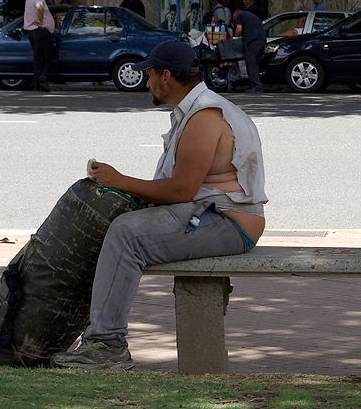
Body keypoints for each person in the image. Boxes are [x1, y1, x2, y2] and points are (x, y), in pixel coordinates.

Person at [49, 40, 267, 370]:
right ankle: (97, 338)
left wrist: (119, 180)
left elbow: (181, 190)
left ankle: (107, 344)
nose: (146, 82)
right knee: (121, 223)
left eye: (149, 74)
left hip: (230, 223)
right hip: (209, 215)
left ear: (166, 76)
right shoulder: (195, 110)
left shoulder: (205, 116)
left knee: (127, 234)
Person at [23, 0, 55, 92]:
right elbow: (39, 8)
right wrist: (41, 20)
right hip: (40, 32)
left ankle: (37, 83)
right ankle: (41, 79)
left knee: (38, 58)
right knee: (45, 58)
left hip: (32, 32)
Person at [233, 9, 267, 93]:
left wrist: (234, 39)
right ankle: (254, 85)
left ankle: (256, 86)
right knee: (254, 64)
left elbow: (239, 30)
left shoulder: (239, 15)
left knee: (250, 63)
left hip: (253, 41)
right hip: (262, 41)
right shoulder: (251, 16)